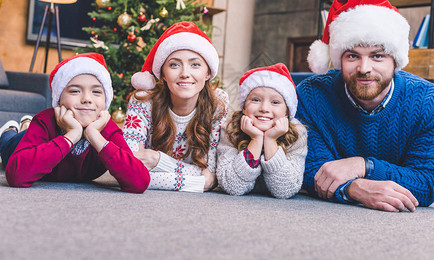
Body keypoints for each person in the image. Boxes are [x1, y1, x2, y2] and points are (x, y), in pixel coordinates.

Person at [296, 0, 434, 212]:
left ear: (395, 61)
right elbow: (312, 170)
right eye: (352, 56)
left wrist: (364, 166)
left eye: (377, 56)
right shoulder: (311, 95)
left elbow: (426, 183)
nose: (364, 68)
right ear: (338, 60)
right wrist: (355, 188)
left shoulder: (431, 101)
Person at [1, 53, 150, 193]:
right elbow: (16, 176)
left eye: (96, 92)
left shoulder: (107, 128)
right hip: (18, 145)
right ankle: (9, 130)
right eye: (75, 91)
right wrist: (71, 135)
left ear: (106, 100)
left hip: (55, 140)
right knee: (8, 142)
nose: (87, 99)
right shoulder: (44, 121)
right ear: (59, 99)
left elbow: (140, 181)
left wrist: (94, 136)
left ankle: (26, 123)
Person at [123, 21, 229, 193]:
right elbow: (126, 169)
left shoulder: (218, 105)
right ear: (162, 74)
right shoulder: (142, 101)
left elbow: (211, 174)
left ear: (208, 73)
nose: (185, 73)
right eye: (174, 64)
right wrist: (198, 183)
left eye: (195, 64)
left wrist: (158, 160)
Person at [217, 63, 307, 198]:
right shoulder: (230, 128)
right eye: (256, 100)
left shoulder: (297, 132)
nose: (264, 108)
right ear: (244, 107)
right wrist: (256, 139)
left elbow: (286, 190)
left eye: (275, 102)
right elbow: (232, 186)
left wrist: (270, 140)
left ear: (287, 111)